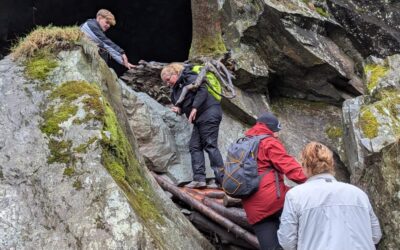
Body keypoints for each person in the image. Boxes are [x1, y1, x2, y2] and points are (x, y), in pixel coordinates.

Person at [278, 142, 382, 250]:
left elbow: (287, 242)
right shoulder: (358, 194)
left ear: (304, 166)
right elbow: (375, 235)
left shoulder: (295, 196)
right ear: (331, 164)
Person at [241, 112, 307, 250]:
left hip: (253, 208)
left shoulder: (243, 144)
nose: (277, 135)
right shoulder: (268, 142)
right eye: (276, 131)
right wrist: (313, 180)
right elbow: (289, 167)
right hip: (275, 203)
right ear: (269, 129)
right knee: (304, 236)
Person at [160, 63, 224, 189]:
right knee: (194, 146)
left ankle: (223, 181)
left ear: (175, 73)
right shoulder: (177, 88)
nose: (168, 83)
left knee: (210, 145)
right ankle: (199, 179)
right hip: (199, 119)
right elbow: (184, 105)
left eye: (168, 80)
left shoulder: (189, 77)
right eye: (165, 82)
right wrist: (179, 110)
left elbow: (202, 90)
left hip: (209, 112)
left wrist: (195, 108)